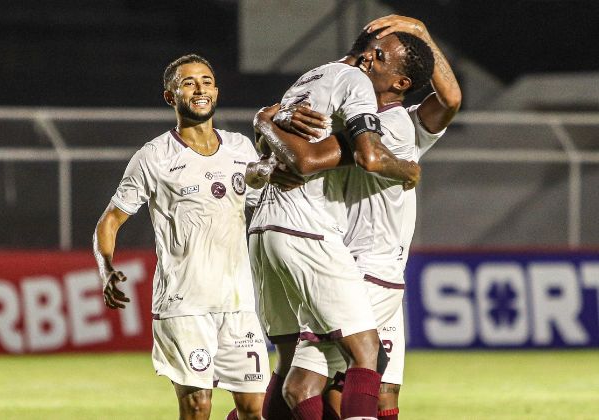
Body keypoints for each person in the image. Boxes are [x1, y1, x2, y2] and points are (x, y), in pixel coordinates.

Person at [255, 15, 461, 420]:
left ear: (401, 81)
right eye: (371, 52)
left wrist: (421, 34)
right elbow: (310, 159)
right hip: (356, 265)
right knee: (324, 383)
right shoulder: (357, 126)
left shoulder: (396, 124)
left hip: (381, 270)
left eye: (382, 56)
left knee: (378, 388)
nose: (369, 59)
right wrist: (268, 121)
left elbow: (451, 99)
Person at [92, 54, 300, 420]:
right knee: (197, 407)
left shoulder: (240, 148)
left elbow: (261, 203)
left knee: (255, 408)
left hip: (238, 303)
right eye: (188, 82)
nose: (200, 88)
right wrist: (105, 269)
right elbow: (110, 221)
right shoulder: (154, 157)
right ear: (171, 97)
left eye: (206, 80)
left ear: (216, 91)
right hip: (183, 304)